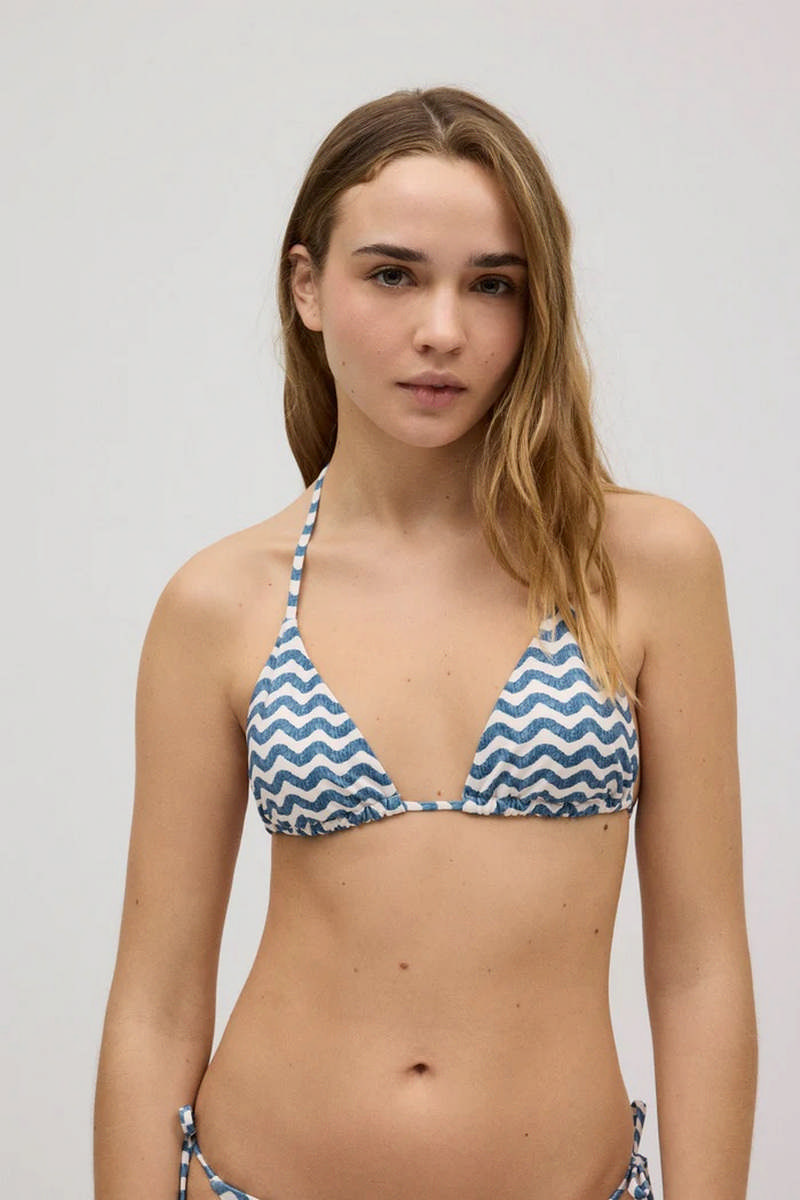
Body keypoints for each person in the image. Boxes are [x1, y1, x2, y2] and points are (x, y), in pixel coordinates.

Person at [93, 85, 757, 1200]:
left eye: (491, 284)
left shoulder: (643, 566)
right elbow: (154, 1007)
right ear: (307, 287)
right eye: (392, 274)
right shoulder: (220, 603)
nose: (442, 328)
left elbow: (699, 970)